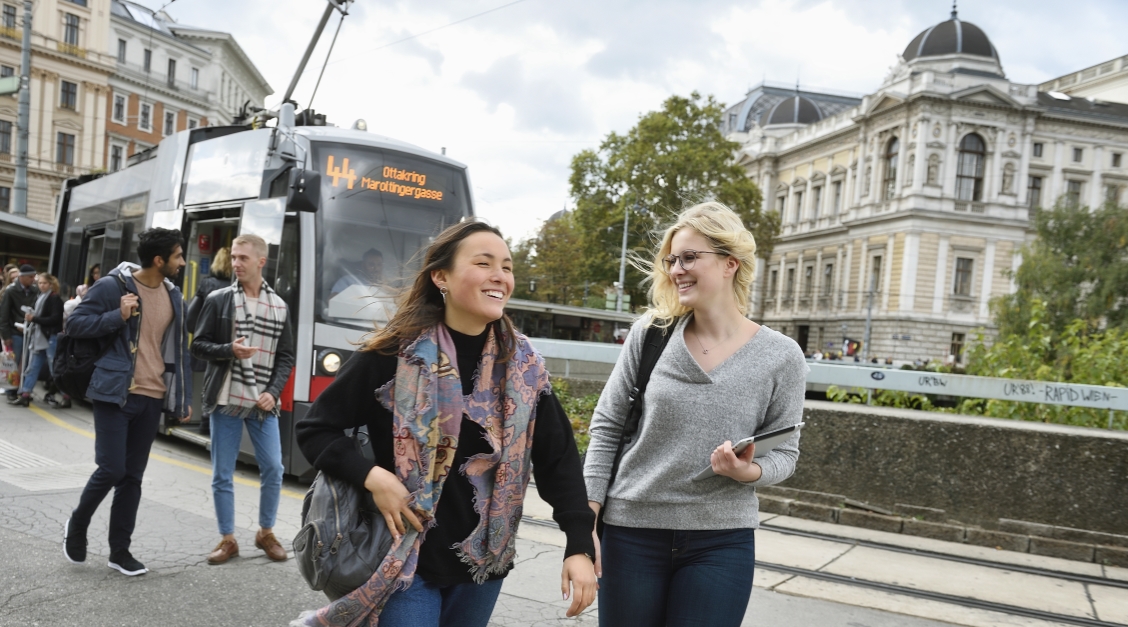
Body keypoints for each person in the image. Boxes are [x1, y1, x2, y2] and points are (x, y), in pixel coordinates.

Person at [293, 221, 597, 626]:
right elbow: (315, 428)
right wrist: (373, 477)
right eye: (484, 263)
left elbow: (558, 459)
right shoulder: (394, 355)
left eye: (506, 267)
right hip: (403, 558)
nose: (500, 277)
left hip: (482, 565)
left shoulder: (525, 370)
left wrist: (579, 544)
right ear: (441, 277)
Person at [583, 202, 806, 627]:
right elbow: (607, 429)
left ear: (729, 264)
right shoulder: (649, 336)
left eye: (689, 257)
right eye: (671, 260)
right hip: (632, 532)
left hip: (721, 541)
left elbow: (786, 454)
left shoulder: (782, 356)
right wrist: (586, 523)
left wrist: (748, 473)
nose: (676, 270)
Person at [63, 228, 192, 577]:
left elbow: (179, 351)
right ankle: (78, 522)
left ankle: (120, 551)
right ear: (159, 260)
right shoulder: (113, 286)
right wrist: (115, 317)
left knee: (132, 477)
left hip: (152, 397)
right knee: (112, 468)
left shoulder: (173, 294)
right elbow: (74, 323)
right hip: (115, 393)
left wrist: (183, 397)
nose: (183, 262)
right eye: (179, 256)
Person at [191, 235, 295, 566]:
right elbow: (198, 345)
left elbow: (286, 356)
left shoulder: (279, 306)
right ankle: (227, 539)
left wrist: (273, 392)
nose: (236, 263)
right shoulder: (219, 299)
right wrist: (228, 351)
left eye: (243, 258)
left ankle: (265, 532)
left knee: (274, 468)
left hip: (263, 403)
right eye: (234, 257)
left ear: (260, 262)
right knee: (223, 473)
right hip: (226, 400)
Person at [186, 246, 233, 436]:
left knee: (209, 381)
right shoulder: (241, 287)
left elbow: (190, 320)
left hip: (208, 345)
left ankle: (205, 422)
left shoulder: (208, 285)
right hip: (233, 347)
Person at [9, 273, 64, 407]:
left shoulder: (54, 298)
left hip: (50, 337)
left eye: (44, 283)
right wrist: (30, 322)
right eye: (40, 283)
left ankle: (66, 395)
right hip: (40, 337)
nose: (41, 285)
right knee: (33, 367)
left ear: (51, 284)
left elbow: (55, 319)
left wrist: (34, 319)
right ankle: (25, 394)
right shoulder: (40, 297)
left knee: (54, 369)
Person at [0, 264, 40, 401]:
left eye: (34, 276)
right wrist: (6, 335)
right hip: (15, 331)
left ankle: (23, 389)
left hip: (30, 331)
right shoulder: (11, 291)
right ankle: (11, 389)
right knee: (14, 362)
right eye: (30, 277)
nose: (33, 279)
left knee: (28, 362)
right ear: (22, 277)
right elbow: (4, 314)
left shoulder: (35, 290)